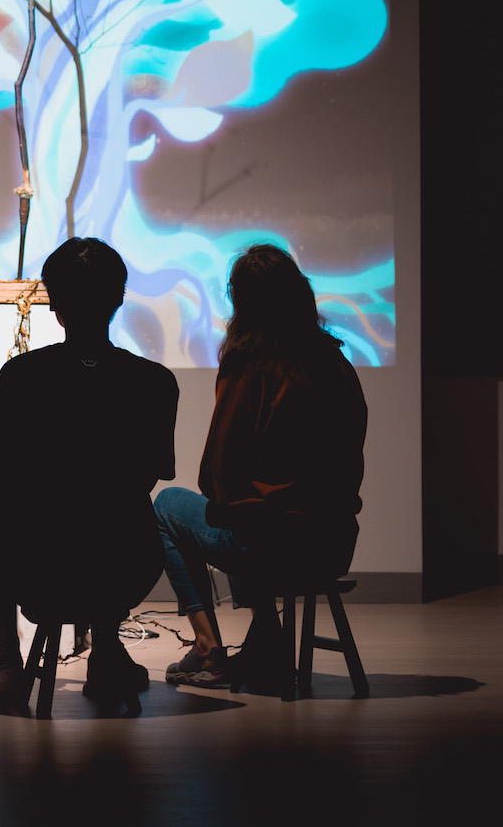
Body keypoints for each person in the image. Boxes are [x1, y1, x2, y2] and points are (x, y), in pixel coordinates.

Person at [0, 237, 178, 707]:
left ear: (53, 306)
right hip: (125, 569)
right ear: (118, 300)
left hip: (38, 571)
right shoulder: (155, 382)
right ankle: (106, 644)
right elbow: (144, 479)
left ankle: (5, 650)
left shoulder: (21, 377)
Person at [153, 244, 367, 688]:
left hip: (269, 546)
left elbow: (217, 473)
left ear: (241, 303)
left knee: (170, 504)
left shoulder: (250, 367)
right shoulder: (337, 364)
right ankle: (266, 639)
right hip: (332, 540)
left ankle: (209, 649)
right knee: (253, 511)